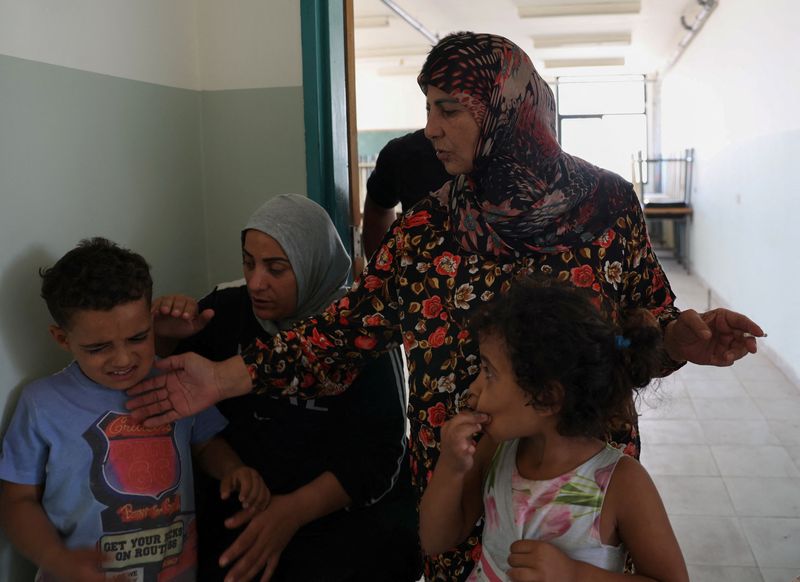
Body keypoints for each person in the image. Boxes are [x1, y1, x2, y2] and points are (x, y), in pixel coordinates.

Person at [127, 32, 764, 581]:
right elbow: (343, 333)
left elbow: (642, 329)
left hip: (576, 484)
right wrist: (221, 377)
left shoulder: (608, 210)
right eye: (428, 107)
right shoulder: (429, 227)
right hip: (456, 485)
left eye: (450, 109)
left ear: (507, 110)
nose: (430, 129)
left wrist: (684, 341)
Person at [152, 194, 417, 582]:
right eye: (248, 262)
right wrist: (163, 338)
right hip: (245, 506)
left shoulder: (359, 330)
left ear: (311, 264)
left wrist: (289, 513)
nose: (256, 282)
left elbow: (379, 457)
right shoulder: (224, 311)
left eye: (276, 268)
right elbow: (183, 406)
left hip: (336, 517)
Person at [0, 238, 268, 582]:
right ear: (62, 339)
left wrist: (233, 469)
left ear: (151, 319)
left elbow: (205, 442)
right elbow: (16, 501)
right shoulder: (41, 404)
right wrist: (57, 558)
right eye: (99, 348)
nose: (124, 359)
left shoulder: (176, 381)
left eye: (138, 338)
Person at [419, 278, 689, 581]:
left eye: (489, 372)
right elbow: (434, 541)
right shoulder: (495, 451)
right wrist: (451, 467)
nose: (473, 388)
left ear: (547, 397)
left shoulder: (622, 483)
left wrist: (574, 575)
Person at [362, 129, 450, 258]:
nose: (431, 126)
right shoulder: (402, 153)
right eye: (429, 109)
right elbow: (378, 209)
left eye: (449, 112)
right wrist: (385, 274)